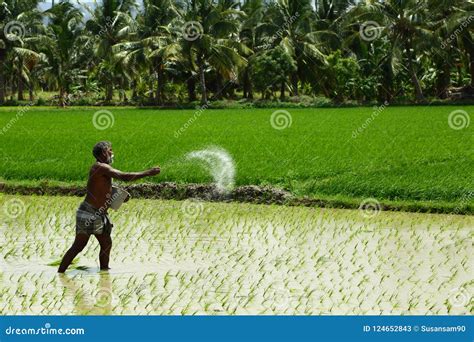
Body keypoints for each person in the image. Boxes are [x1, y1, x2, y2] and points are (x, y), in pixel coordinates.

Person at [58, 141, 160, 273]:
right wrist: (148, 173)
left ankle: (104, 272)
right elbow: (124, 176)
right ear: (103, 153)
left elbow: (102, 189)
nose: (112, 153)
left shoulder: (104, 169)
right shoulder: (99, 167)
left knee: (106, 243)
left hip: (99, 214)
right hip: (89, 212)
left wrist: (117, 195)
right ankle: (60, 273)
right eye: (109, 150)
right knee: (78, 246)